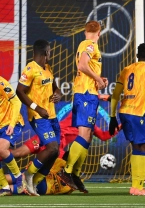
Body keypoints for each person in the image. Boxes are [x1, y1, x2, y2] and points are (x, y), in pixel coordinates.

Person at [5, 110, 119, 194]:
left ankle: (27, 181)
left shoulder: (90, 127)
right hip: (46, 137)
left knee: (55, 163)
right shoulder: (76, 114)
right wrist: (100, 96)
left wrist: (122, 125)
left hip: (56, 148)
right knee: (18, 153)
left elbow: (104, 136)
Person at [57, 20, 107, 189]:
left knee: (87, 136)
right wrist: (98, 79)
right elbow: (82, 65)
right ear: (99, 33)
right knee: (84, 134)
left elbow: (86, 68)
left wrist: (98, 80)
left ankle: (75, 174)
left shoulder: (87, 44)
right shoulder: (90, 45)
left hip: (87, 93)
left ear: (85, 31)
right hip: (85, 95)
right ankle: (68, 170)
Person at [109, 43, 145, 196]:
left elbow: (115, 95)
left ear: (137, 56)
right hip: (138, 113)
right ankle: (137, 186)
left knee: (137, 148)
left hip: (124, 112)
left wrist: (112, 117)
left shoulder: (127, 69)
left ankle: (135, 186)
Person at [17, 39, 62, 196]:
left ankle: (35, 182)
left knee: (55, 152)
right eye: (50, 51)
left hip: (52, 116)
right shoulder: (30, 69)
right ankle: (28, 175)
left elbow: (55, 89)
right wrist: (37, 108)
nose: (50, 54)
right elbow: (20, 91)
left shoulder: (47, 68)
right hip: (38, 116)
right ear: (46, 52)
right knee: (52, 147)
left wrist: (58, 94)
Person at [0, 76, 25, 196]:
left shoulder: (1, 83)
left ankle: (19, 178)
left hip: (11, 123)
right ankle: (5, 187)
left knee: (1, 149)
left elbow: (16, 102)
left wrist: (12, 123)